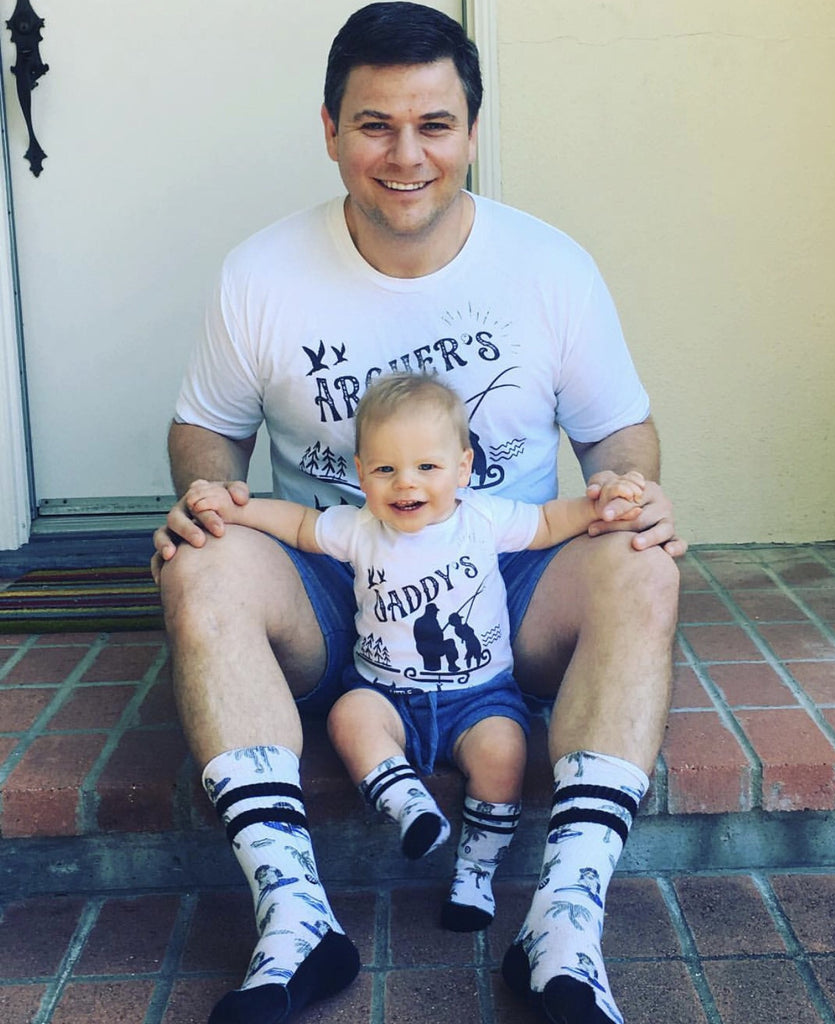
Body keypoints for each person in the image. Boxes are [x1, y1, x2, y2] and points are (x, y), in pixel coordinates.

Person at [151, 3, 685, 1023]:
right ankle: (296, 921)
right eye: (375, 125)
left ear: (472, 131)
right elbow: (205, 430)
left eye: (434, 124)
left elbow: (620, 434)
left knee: (640, 558)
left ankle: (563, 929)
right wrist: (207, 495)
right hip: (333, 588)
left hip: (508, 588)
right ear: (329, 130)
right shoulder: (260, 273)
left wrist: (630, 490)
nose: (407, 155)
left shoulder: (549, 267)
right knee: (204, 557)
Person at [184, 372, 645, 938]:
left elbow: (550, 522)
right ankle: (407, 802)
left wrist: (604, 506)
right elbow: (300, 524)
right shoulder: (359, 529)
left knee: (505, 754)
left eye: (427, 466)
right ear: (361, 473)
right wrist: (238, 510)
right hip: (384, 692)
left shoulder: (485, 519)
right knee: (348, 717)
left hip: (480, 696)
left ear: (462, 468)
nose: (406, 483)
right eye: (385, 469)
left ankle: (476, 872)